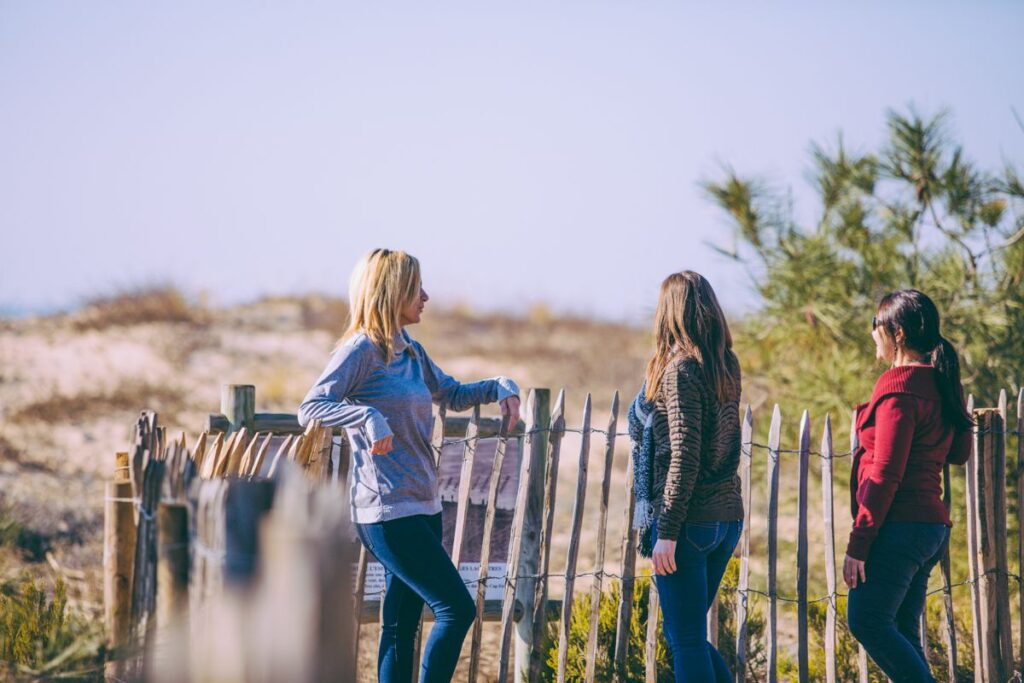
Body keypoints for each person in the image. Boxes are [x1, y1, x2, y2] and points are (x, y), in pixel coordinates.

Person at [297, 248, 521, 683]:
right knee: (456, 607)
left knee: (399, 625)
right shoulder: (359, 350)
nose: (426, 296)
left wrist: (501, 386)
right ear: (391, 291)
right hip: (385, 512)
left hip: (424, 505)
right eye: (416, 287)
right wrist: (365, 415)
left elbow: (451, 394)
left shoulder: (410, 351)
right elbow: (311, 407)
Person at [844, 289, 972, 682]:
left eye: (875, 326)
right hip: (929, 528)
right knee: (901, 631)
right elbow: (959, 452)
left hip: (899, 527)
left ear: (896, 332)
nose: (872, 335)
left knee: (866, 620)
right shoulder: (941, 384)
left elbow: (885, 473)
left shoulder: (899, 390)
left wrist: (858, 544)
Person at [628, 270, 743, 683]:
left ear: (669, 313)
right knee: (690, 634)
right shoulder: (726, 363)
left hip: (689, 523)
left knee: (687, 640)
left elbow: (684, 455)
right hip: (726, 519)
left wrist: (668, 530)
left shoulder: (680, 371)